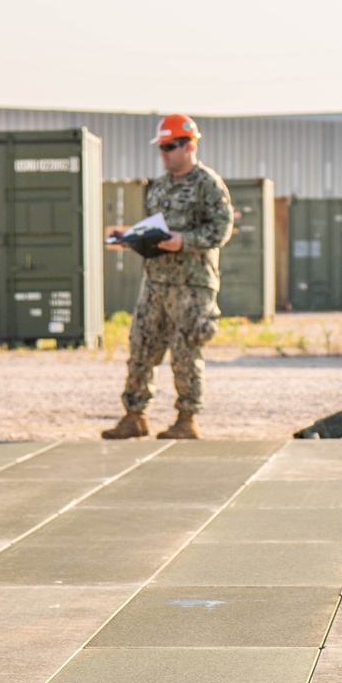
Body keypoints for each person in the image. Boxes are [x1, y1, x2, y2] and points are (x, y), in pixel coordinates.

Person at [102, 113, 234, 441]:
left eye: (170, 146)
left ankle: (186, 420)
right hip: (156, 281)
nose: (164, 153)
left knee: (186, 349)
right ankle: (135, 415)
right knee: (141, 345)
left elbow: (222, 228)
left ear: (189, 145)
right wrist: (129, 238)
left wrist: (184, 241)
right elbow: (154, 228)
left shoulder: (208, 184)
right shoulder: (159, 186)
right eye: (161, 147)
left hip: (191, 284)